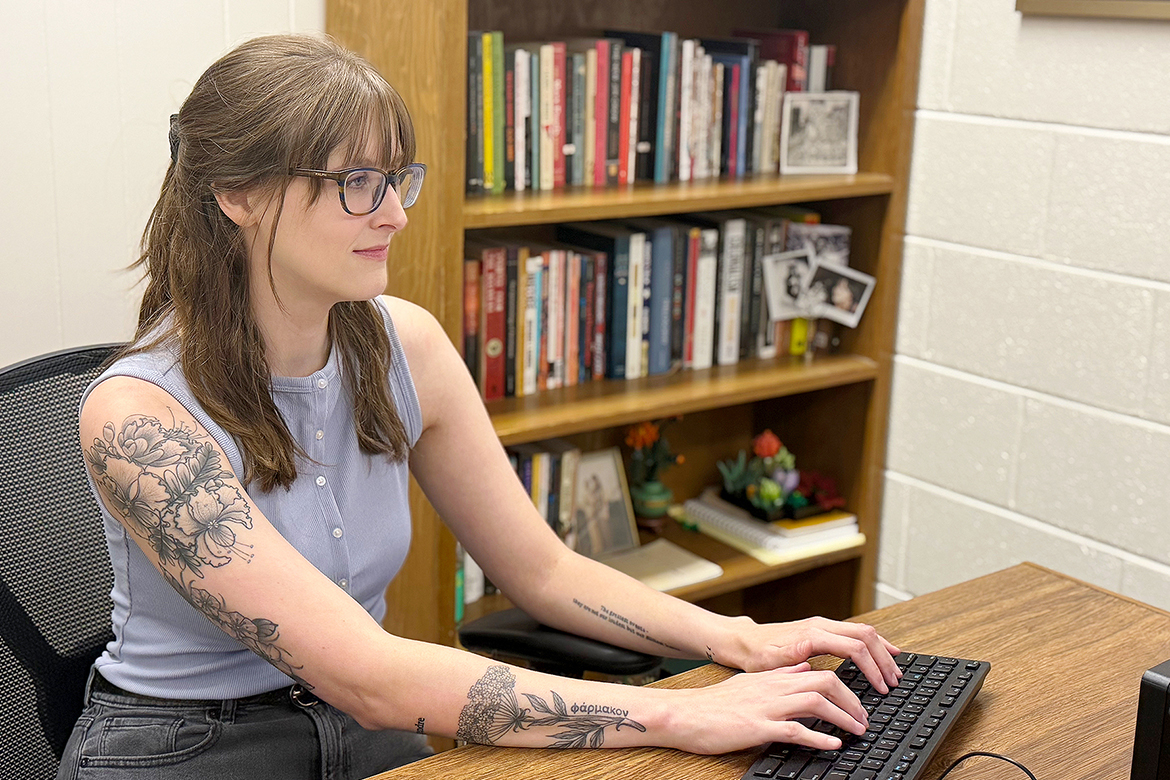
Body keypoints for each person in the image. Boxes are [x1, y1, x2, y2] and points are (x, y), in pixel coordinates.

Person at [61, 33, 902, 779]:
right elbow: (368, 673)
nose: (393, 214)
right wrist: (681, 714)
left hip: (364, 731)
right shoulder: (139, 420)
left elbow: (543, 571)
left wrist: (735, 637)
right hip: (190, 747)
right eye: (356, 182)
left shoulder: (405, 346)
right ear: (236, 194)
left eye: (396, 179)